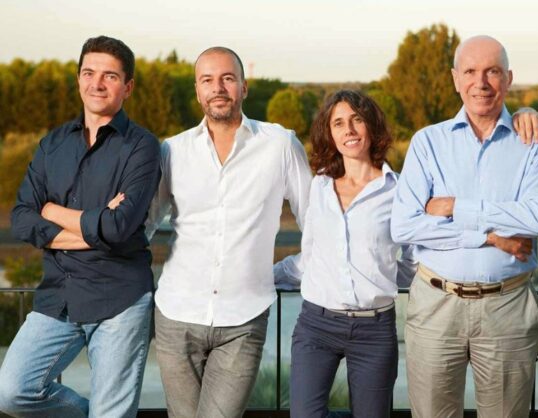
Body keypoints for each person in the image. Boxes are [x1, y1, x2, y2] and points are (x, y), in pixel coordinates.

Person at [390, 35, 538, 418]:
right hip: (435, 305)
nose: (480, 82)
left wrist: (454, 207)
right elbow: (404, 226)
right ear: (455, 79)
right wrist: (491, 236)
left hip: (508, 306)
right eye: (470, 71)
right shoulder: (427, 143)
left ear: (508, 78)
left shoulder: (534, 142)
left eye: (492, 71)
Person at [145, 46, 312, 418]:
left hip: (244, 319)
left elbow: (316, 223)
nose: (218, 88)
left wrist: (287, 271)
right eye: (207, 80)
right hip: (175, 314)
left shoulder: (280, 145)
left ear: (244, 87)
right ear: (197, 91)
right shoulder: (172, 150)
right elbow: (145, 225)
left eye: (227, 78)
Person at [0, 36, 160, 418]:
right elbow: (22, 217)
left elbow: (119, 227)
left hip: (120, 299)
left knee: (112, 413)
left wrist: (51, 210)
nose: (97, 84)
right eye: (89, 73)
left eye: (110, 76)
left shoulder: (142, 147)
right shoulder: (52, 144)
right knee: (11, 392)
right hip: (59, 294)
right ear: (78, 79)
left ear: (128, 87)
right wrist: (94, 228)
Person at [274, 90, 417, 418]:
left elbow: (412, 262)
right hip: (316, 324)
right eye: (338, 123)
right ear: (330, 133)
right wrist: (260, 278)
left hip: (374, 329)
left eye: (357, 120)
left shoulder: (398, 191)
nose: (349, 130)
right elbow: (309, 258)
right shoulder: (320, 186)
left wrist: (379, 276)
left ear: (372, 126)